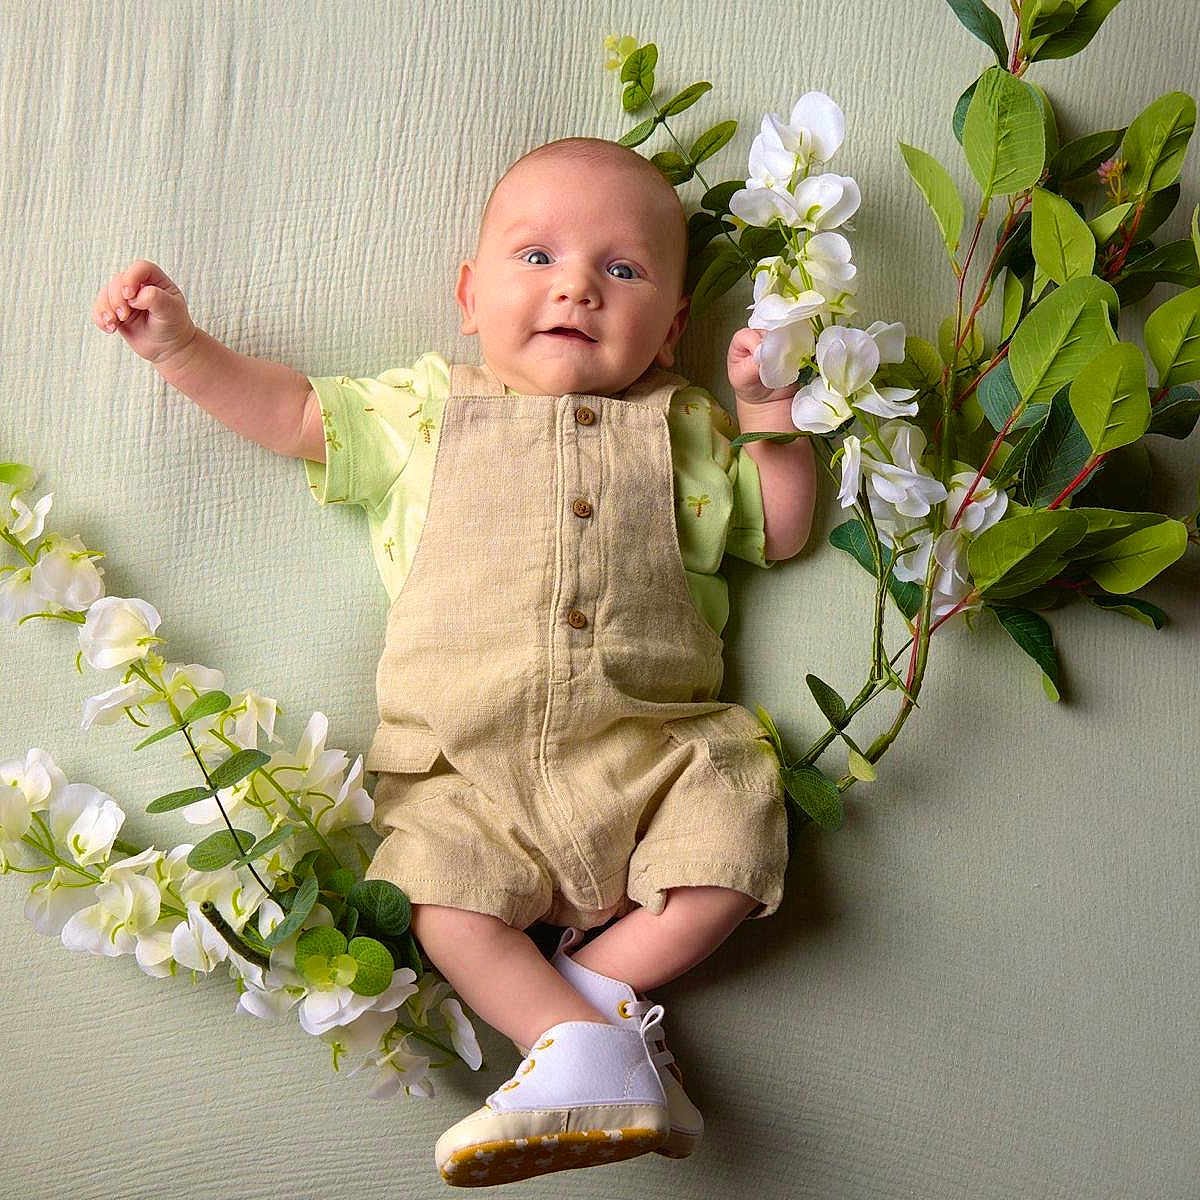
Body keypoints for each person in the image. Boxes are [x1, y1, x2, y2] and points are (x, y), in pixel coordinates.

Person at [91, 135, 817, 1188]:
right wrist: (183, 350)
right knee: (438, 896)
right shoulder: (424, 411)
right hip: (463, 770)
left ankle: (586, 1027)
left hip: (652, 753)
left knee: (737, 838)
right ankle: (596, 1044)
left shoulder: (687, 429)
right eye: (537, 258)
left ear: (673, 330)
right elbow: (294, 413)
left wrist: (768, 417)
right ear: (469, 296)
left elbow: (782, 529)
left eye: (623, 270)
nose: (577, 285)